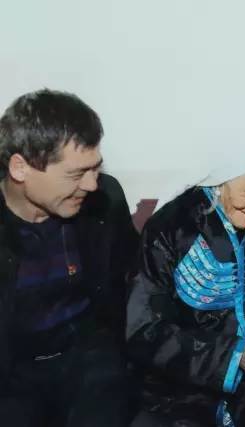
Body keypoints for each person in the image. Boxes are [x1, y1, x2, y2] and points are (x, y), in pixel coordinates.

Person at [126, 136, 245, 427]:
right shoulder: (171, 229)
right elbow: (144, 328)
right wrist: (233, 356)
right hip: (181, 390)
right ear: (223, 179)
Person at [0, 89, 138, 427]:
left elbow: (133, 282)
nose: (91, 185)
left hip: (91, 360)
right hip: (12, 372)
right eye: (76, 174)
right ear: (20, 168)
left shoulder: (105, 200)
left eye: (95, 169)